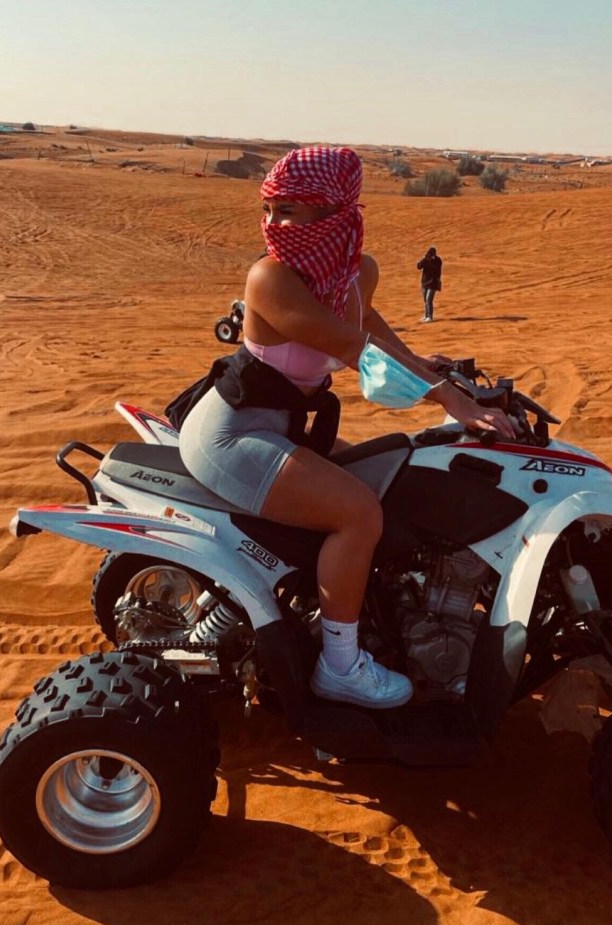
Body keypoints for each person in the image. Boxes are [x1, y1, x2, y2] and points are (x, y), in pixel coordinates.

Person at [178, 146, 514, 709]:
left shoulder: (356, 272)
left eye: (291, 210)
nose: (275, 224)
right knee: (358, 513)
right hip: (233, 434)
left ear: (334, 212)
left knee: (389, 479)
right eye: (270, 209)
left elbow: (374, 329)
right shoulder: (271, 278)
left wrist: (440, 372)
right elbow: (355, 348)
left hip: (288, 427)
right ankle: (340, 666)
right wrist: (453, 402)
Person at [416, 246, 443, 323]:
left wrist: (429, 261)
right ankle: (426, 315)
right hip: (424, 283)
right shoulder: (425, 260)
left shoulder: (438, 260)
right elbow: (418, 266)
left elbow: (436, 269)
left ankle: (430, 316)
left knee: (429, 300)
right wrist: (424, 260)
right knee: (425, 300)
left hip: (433, 283)